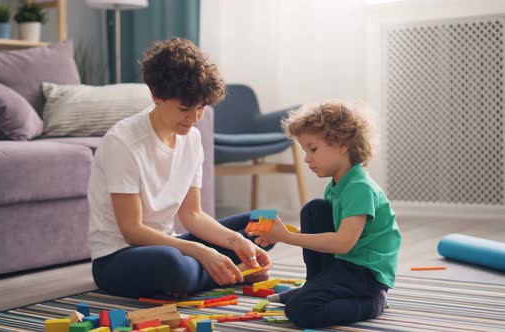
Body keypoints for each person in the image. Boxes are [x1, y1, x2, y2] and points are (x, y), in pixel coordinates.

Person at [88, 38, 272, 299]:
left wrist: (236, 241)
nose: (194, 118)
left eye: (201, 108)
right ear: (155, 95)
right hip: (119, 258)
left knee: (264, 222)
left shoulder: (193, 138)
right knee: (173, 264)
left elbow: (193, 215)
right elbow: (132, 230)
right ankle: (229, 273)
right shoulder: (123, 142)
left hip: (172, 243)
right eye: (185, 108)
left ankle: (220, 270)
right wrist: (202, 251)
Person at [249, 102, 401, 329]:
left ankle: (373, 302)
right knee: (314, 210)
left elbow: (342, 243)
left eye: (313, 149)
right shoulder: (337, 185)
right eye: (305, 151)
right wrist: (279, 234)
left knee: (300, 310)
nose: (307, 159)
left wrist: (286, 237)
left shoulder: (360, 188)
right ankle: (315, 285)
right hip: (347, 265)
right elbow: (331, 234)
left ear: (342, 144)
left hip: (366, 276)